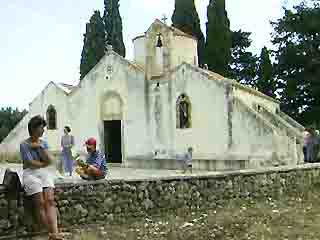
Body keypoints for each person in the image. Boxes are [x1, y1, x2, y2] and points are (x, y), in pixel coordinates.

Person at [20, 115, 63, 240]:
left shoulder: (43, 143)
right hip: (30, 173)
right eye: (41, 127)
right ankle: (50, 233)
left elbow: (50, 160)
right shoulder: (24, 144)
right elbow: (29, 163)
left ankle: (55, 232)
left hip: (43, 172)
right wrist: (44, 163)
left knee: (49, 200)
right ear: (34, 128)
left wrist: (39, 147)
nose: (43, 130)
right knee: (40, 202)